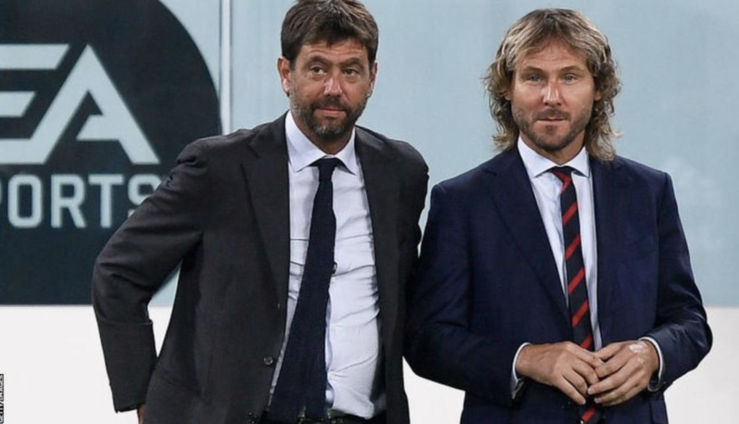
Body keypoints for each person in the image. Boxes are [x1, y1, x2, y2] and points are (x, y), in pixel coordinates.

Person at [92, 1, 427, 423]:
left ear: (372, 77)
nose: (334, 88)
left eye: (350, 71)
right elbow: (118, 272)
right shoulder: (218, 168)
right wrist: (145, 399)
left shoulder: (401, 173)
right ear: (286, 73)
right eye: (317, 69)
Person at [405, 8, 711, 424]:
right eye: (534, 77)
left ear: (598, 87)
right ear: (507, 88)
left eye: (569, 77)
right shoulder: (462, 202)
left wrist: (652, 354)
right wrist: (525, 359)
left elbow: (689, 322)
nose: (551, 96)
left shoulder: (648, 192)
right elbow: (428, 340)